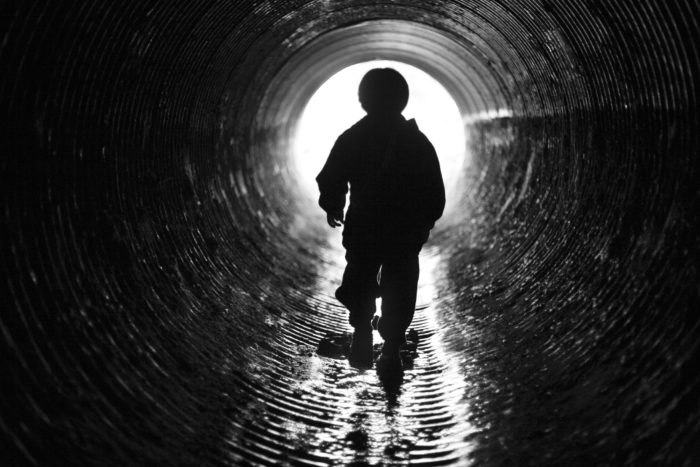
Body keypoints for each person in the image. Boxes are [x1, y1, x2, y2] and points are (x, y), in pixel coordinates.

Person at [316, 67, 445, 370]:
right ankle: (391, 348)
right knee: (400, 286)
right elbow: (434, 192)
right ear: (403, 100)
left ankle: (362, 331)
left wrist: (334, 205)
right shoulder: (417, 142)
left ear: (362, 100)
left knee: (359, 279)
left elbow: (331, 177)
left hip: (364, 227)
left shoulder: (352, 138)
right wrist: (423, 224)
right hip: (403, 232)